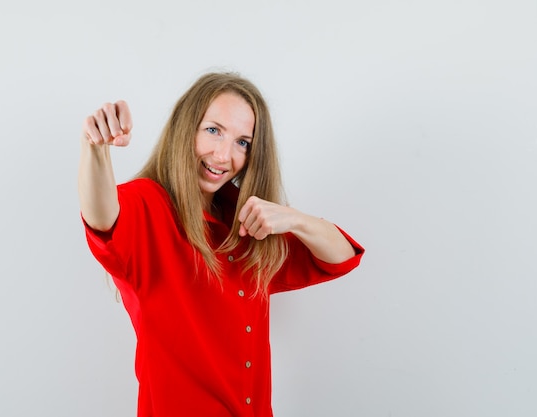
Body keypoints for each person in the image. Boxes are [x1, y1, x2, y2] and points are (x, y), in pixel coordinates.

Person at [79, 72, 364, 417]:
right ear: (187, 127)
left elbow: (341, 257)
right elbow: (102, 218)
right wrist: (96, 148)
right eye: (213, 130)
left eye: (242, 142)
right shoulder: (147, 204)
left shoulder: (245, 224)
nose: (223, 155)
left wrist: (295, 219)